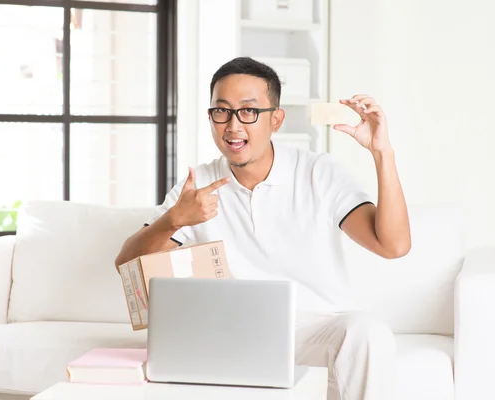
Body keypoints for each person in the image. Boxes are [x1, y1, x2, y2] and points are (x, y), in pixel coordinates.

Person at [115, 56, 411, 400]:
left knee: (367, 330)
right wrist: (174, 220)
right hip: (230, 335)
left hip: (312, 331)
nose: (233, 126)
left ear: (277, 120)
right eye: (221, 111)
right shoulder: (198, 185)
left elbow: (393, 245)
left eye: (249, 111)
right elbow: (126, 266)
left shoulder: (317, 172)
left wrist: (382, 152)